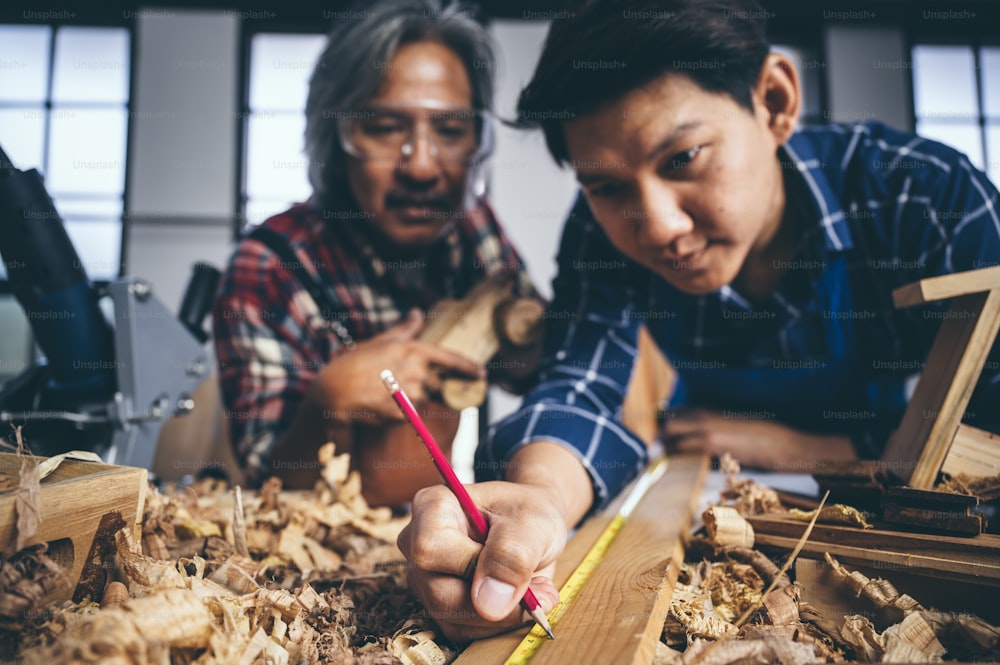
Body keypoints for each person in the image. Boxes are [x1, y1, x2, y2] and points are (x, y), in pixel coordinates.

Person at [398, 0, 1000, 641]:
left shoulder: (921, 196)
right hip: (717, 483)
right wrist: (539, 504)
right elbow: (583, 390)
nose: (659, 227)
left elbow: (984, 435)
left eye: (683, 158)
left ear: (773, 101)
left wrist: (812, 449)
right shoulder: (601, 234)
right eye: (608, 188)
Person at [212, 0, 538, 507]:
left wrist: (524, 338)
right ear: (336, 136)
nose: (422, 167)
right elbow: (266, 483)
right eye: (385, 127)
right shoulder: (269, 267)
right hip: (322, 552)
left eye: (451, 130)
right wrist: (328, 402)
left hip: (438, 522)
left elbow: (535, 369)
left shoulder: (472, 230)